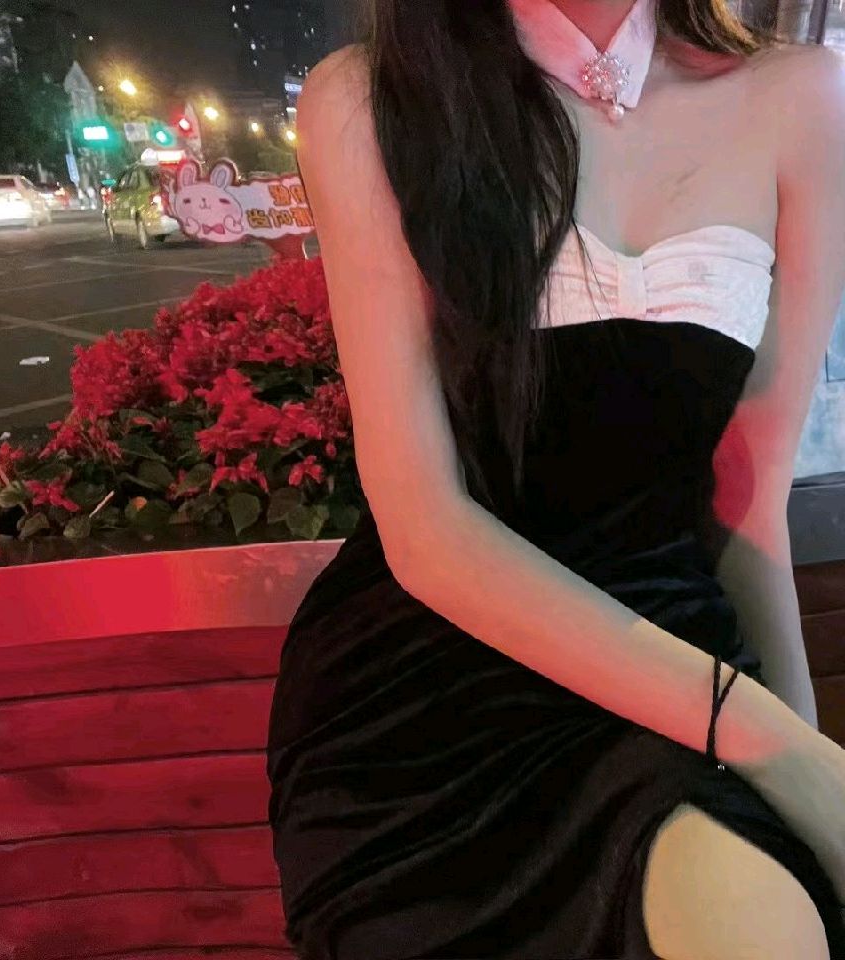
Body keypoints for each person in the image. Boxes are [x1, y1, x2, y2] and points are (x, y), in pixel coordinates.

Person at [265, 0, 845, 956]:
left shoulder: (800, 96)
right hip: (424, 702)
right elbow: (427, 533)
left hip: (673, 656)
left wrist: (810, 781)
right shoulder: (371, 102)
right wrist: (775, 743)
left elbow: (749, 500)